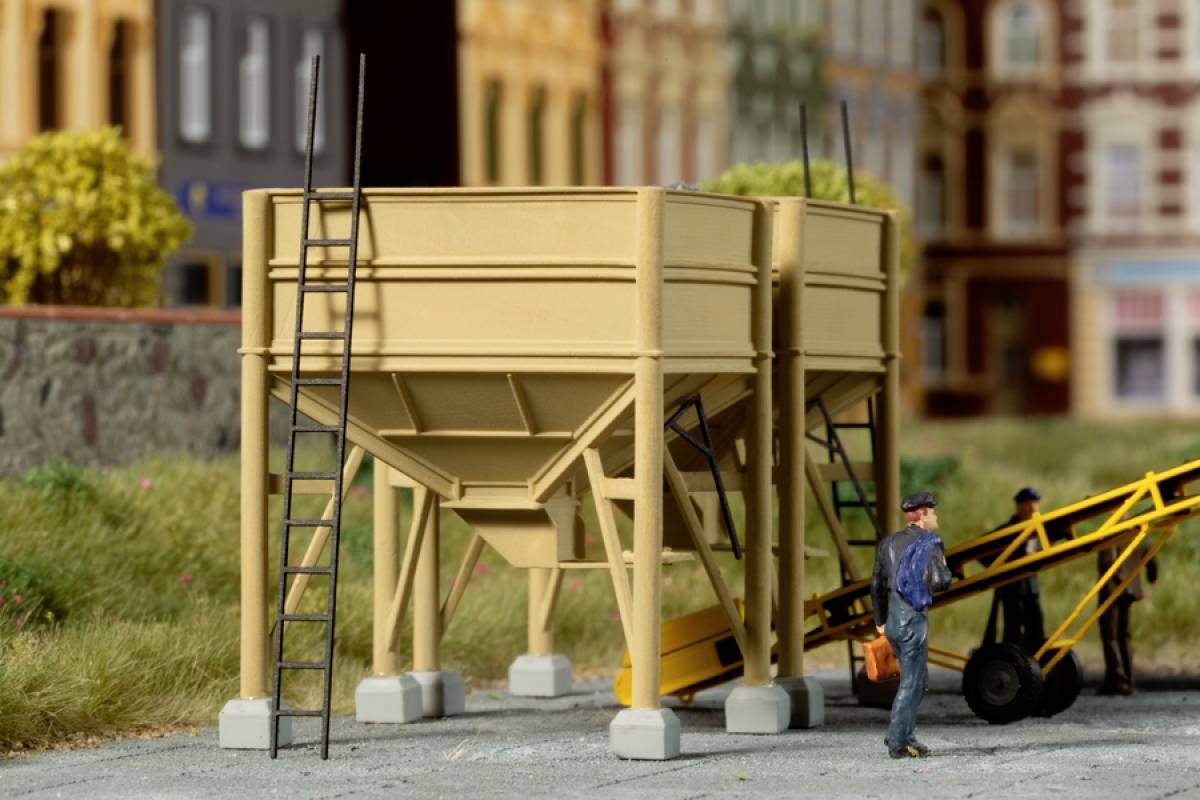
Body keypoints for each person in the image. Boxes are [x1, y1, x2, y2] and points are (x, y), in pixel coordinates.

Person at [871, 491, 953, 759]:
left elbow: (876, 585)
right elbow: (941, 582)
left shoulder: (888, 543)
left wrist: (880, 621)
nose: (936, 516)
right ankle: (897, 740)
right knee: (912, 682)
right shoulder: (931, 543)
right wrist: (944, 566)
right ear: (922, 515)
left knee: (919, 681)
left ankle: (905, 733)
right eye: (933, 511)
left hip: (893, 620)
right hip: (913, 620)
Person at [983, 487, 1046, 653]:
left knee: (1037, 631)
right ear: (1020, 506)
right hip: (1012, 589)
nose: (1034, 507)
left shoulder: (1038, 528)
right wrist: (999, 570)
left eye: (1036, 503)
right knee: (1012, 633)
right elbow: (983, 550)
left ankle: (1035, 661)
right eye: (1029, 504)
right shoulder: (1007, 530)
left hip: (1031, 589)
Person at [1096, 540, 1158, 695]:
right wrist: (1152, 577)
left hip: (1112, 589)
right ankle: (1128, 678)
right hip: (1129, 590)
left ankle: (1117, 680)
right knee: (1124, 635)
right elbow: (1151, 557)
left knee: (1110, 635)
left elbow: (1107, 561)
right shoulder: (1141, 535)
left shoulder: (1112, 535)